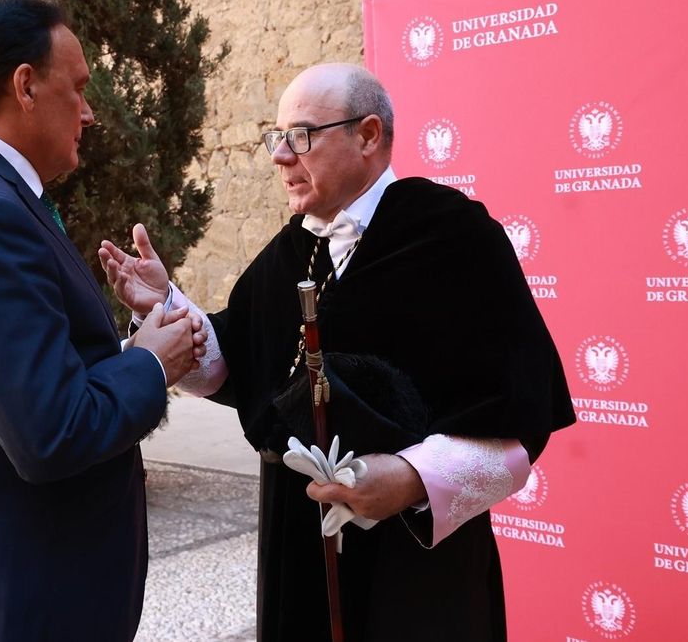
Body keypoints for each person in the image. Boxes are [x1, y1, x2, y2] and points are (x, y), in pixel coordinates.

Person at [99, 63, 576, 640]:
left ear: (368, 135)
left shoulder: (457, 237)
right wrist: (165, 305)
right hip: (296, 543)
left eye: (300, 136)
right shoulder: (290, 250)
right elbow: (238, 363)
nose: (279, 157)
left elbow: (516, 417)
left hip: (413, 562)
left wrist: (408, 478)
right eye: (276, 138)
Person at [0, 0, 205, 641]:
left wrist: (125, 343)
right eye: (77, 89)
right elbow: (51, 432)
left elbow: (17, 380)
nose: (88, 113)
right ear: (25, 85)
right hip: (15, 598)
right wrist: (149, 361)